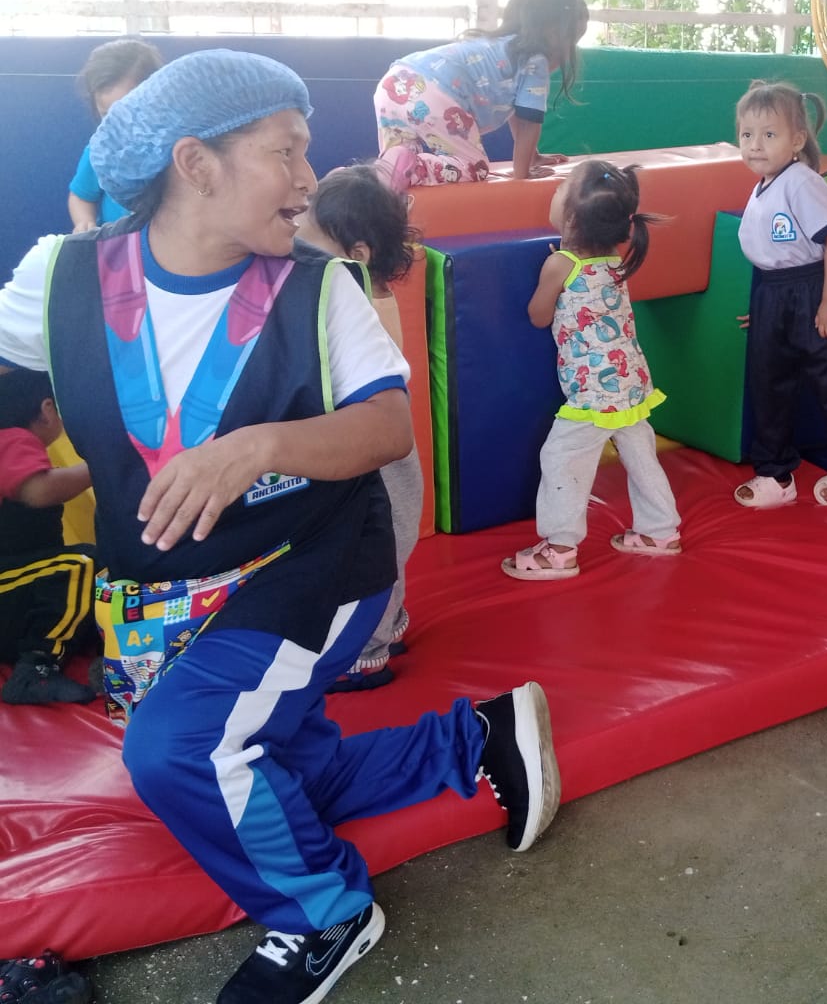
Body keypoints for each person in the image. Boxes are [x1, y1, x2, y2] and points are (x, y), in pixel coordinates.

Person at [0, 49, 560, 1004]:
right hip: (161, 583)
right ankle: (472, 741)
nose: (310, 178)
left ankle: (324, 912)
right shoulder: (59, 276)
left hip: (313, 565)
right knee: (270, 762)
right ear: (196, 163)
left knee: (179, 750)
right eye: (285, 151)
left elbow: (386, 429)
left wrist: (257, 447)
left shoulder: (321, 285)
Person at [503, 158, 681, 579]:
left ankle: (560, 548)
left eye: (561, 189)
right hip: (632, 382)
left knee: (562, 457)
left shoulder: (560, 265)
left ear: (572, 218)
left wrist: (551, 274)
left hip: (594, 393)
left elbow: (538, 316)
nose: (554, 192)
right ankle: (660, 531)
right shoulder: (615, 259)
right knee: (641, 457)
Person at [293, 162, 424, 692]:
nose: (297, 247)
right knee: (385, 546)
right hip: (376, 448)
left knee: (376, 551)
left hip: (378, 456)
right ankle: (387, 625)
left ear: (357, 254)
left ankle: (365, 651)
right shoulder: (371, 292)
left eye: (309, 239)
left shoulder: (357, 302)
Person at [733, 80, 827, 510]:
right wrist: (766, 309)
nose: (755, 145)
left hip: (814, 289)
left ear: (797, 140)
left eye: (769, 134)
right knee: (769, 386)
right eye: (747, 134)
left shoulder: (801, 182)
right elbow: (772, 254)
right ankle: (776, 474)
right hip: (775, 294)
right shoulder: (763, 184)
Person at [375, 0, 588, 187]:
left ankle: (379, 174)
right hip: (433, 90)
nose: (570, 52)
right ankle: (414, 167)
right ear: (553, 33)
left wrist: (532, 157)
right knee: (474, 166)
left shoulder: (497, 45)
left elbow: (518, 113)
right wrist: (522, 176)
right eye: (572, 41)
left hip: (395, 82)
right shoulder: (534, 61)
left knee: (396, 168)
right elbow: (528, 124)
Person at [0, 368, 96, 706]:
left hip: (15, 597)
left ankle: (99, 650)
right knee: (83, 562)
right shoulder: (10, 439)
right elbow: (40, 491)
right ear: (47, 408)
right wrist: (101, 465)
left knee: (95, 580)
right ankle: (35, 669)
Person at [66, 38, 164, 231]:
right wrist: (84, 222)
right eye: (106, 115)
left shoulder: (173, 149)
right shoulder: (100, 152)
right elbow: (81, 197)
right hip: (116, 244)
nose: (117, 126)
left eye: (128, 113)